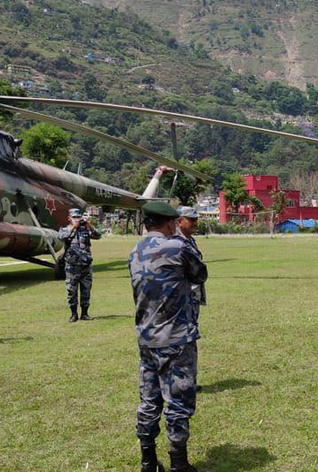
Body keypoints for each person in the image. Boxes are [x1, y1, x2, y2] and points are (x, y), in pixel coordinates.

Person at [130, 201, 208, 472]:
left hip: (147, 339)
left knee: (149, 401)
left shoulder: (135, 251)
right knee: (178, 403)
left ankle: (148, 462)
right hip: (175, 338)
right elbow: (201, 273)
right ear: (167, 223)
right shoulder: (178, 247)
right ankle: (178, 464)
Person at [59, 207, 102, 322]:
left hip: (85, 266)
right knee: (71, 291)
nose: (77, 219)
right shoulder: (65, 229)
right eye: (74, 217)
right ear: (69, 218)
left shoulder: (85, 229)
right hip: (72, 266)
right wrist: (73, 227)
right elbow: (61, 237)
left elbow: (98, 235)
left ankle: (85, 313)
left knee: (86, 290)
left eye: (79, 217)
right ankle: (73, 314)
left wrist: (89, 225)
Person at [176, 206, 206, 325]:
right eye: (191, 219)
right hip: (181, 296)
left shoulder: (190, 240)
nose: (195, 223)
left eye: (196, 219)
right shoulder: (175, 241)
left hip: (193, 294)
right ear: (179, 221)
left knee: (192, 326)